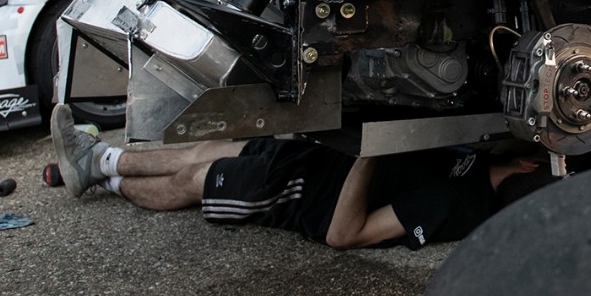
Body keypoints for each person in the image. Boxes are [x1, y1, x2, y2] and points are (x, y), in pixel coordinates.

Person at [49, 104, 552, 250]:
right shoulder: (485, 159)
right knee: (207, 148)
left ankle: (100, 174)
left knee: (195, 178)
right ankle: (99, 159)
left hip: (299, 197)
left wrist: (370, 152)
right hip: (313, 159)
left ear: (528, 166)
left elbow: (344, 236)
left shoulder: (458, 205)